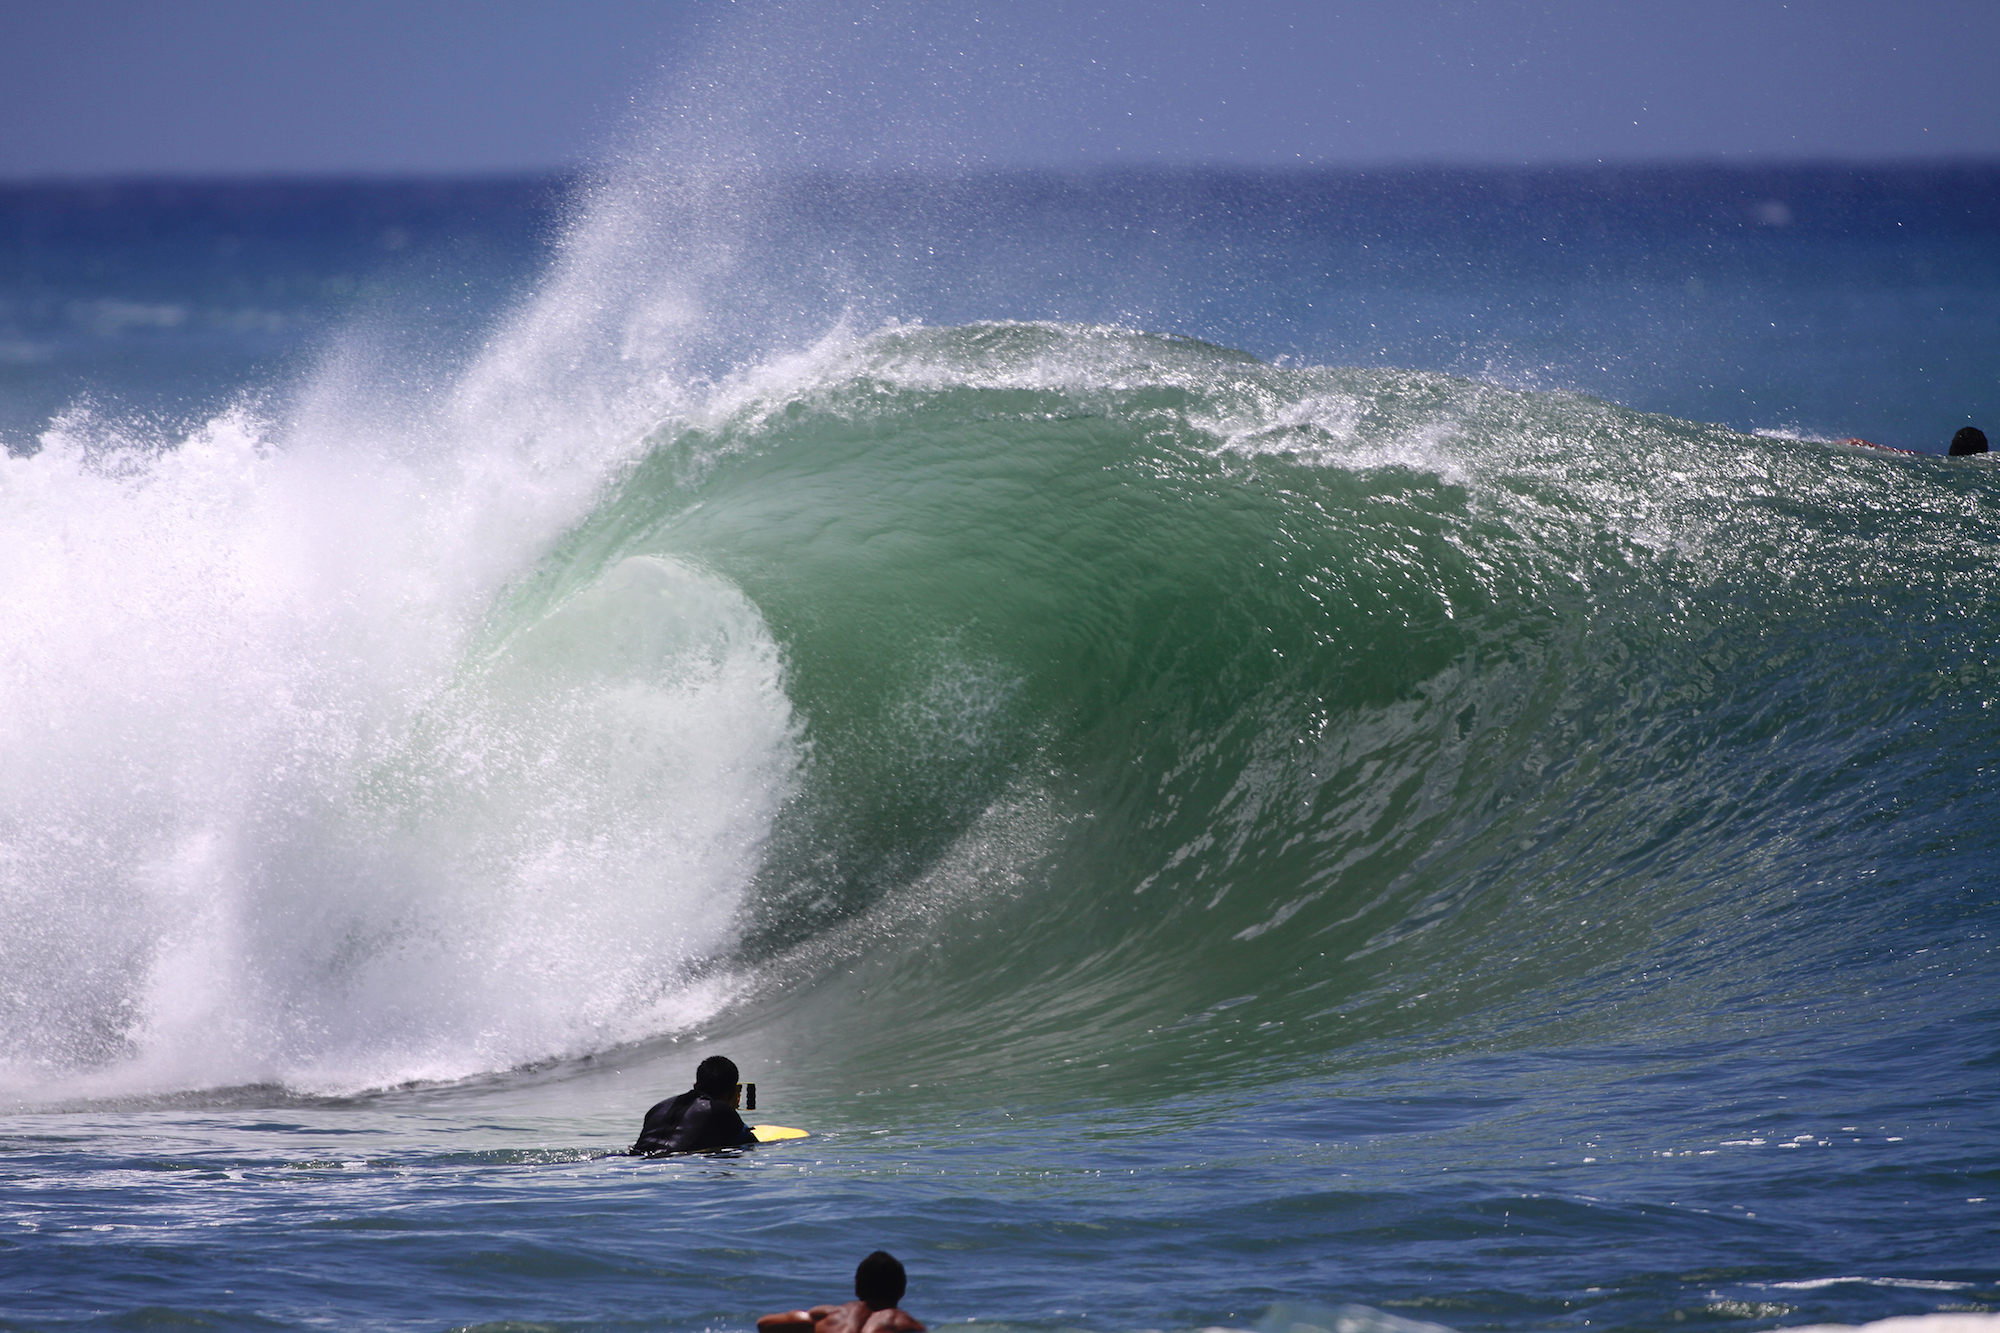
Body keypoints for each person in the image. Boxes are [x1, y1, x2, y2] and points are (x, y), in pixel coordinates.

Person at [757, 1252, 926, 1333]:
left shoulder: (829, 1316)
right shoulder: (910, 1327)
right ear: (902, 1290)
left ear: (857, 1287)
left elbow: (764, 1324)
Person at [630, 1055, 756, 1155]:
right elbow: (749, 1145)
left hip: (637, 1159)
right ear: (733, 1092)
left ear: (695, 1086)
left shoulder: (658, 1108)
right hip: (672, 1161)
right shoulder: (720, 1110)